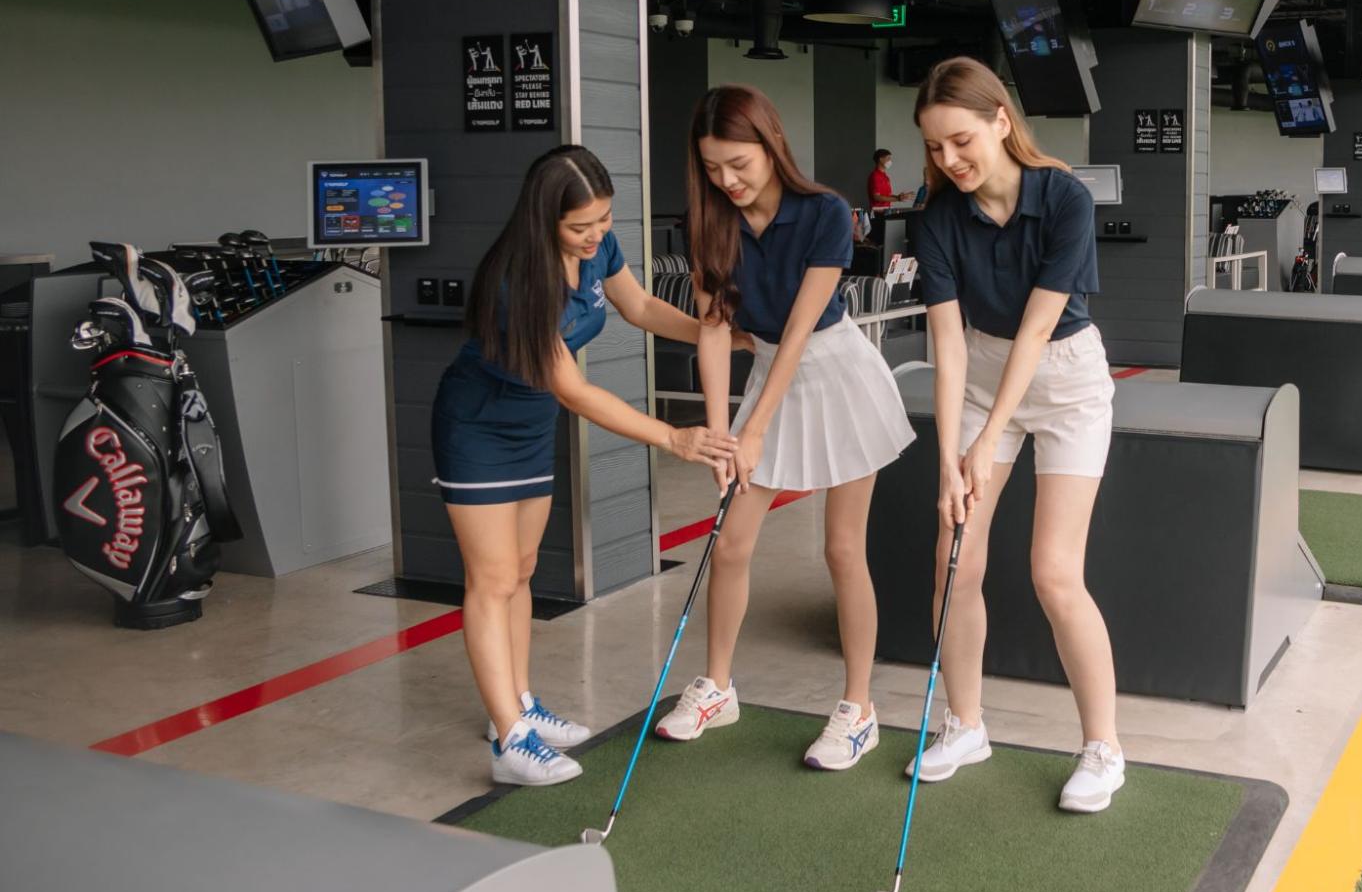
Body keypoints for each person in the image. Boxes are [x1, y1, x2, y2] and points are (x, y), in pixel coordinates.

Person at [434, 146, 737, 787]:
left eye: (604, 218)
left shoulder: (598, 248)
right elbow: (573, 390)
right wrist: (673, 437)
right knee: (491, 579)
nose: (596, 233)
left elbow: (642, 308)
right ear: (544, 219)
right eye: (581, 226)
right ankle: (509, 743)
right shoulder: (517, 280)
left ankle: (516, 705)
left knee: (520, 570)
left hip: (530, 425)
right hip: (478, 428)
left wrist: (718, 332)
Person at [654, 86, 915, 770]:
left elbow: (799, 331)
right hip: (768, 373)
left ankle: (858, 709)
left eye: (738, 163)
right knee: (731, 544)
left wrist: (755, 429)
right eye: (712, 167)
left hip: (838, 375)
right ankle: (717, 687)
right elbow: (714, 330)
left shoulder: (825, 212)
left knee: (842, 549)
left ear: (771, 146)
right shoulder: (708, 223)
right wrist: (721, 434)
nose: (727, 180)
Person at [905, 56, 1125, 814]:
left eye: (961, 140)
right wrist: (948, 459)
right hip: (980, 375)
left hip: (1066, 384)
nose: (949, 159)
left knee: (1054, 574)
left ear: (1001, 121)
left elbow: (1036, 330)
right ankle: (965, 724)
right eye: (935, 146)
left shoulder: (1064, 197)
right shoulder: (937, 220)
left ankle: (1103, 747)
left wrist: (984, 439)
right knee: (954, 561)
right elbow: (949, 343)